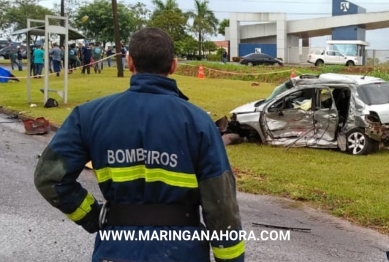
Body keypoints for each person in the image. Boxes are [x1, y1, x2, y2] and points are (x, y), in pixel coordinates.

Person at [34, 27, 245, 262]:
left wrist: (93, 216)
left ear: (129, 61)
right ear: (173, 65)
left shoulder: (89, 115)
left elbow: (50, 178)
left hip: (115, 249)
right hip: (181, 251)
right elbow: (221, 204)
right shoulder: (199, 122)